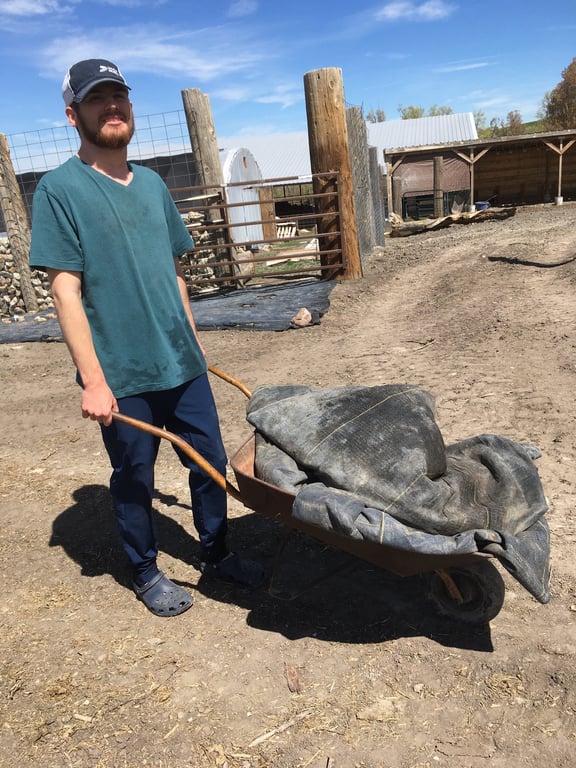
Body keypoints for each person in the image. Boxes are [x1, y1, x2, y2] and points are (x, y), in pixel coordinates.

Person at [29, 59, 264, 617]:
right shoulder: (59, 190)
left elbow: (174, 271)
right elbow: (66, 293)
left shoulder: (154, 184)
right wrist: (93, 380)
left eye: (119, 97)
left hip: (180, 361)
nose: (112, 107)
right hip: (121, 371)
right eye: (96, 100)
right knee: (134, 475)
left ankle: (218, 556)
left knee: (208, 464)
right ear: (73, 115)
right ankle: (145, 571)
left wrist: (192, 336)